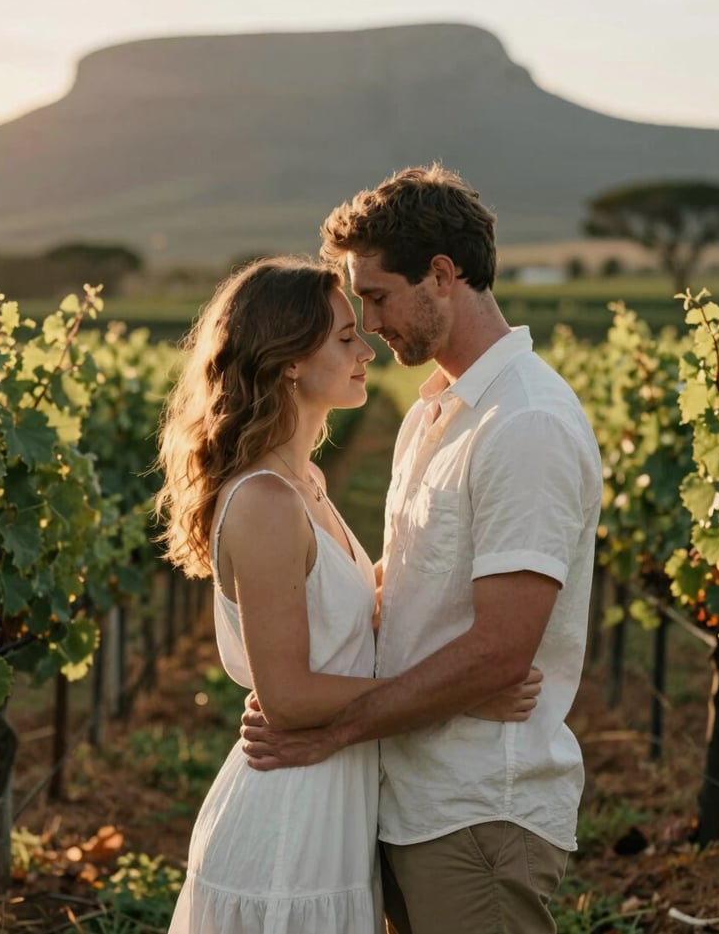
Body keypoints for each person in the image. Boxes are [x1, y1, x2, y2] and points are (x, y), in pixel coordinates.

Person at [241, 167, 604, 934]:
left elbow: (500, 654)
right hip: (407, 799)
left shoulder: (524, 424)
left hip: (478, 812)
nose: (369, 323)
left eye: (376, 296)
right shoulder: (433, 413)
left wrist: (332, 728)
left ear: (443, 275)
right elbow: (401, 596)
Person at [155, 255, 541, 934]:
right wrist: (465, 691)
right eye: (343, 337)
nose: (367, 349)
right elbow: (289, 696)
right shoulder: (267, 501)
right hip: (288, 822)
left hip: (334, 802)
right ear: (289, 361)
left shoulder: (305, 485)